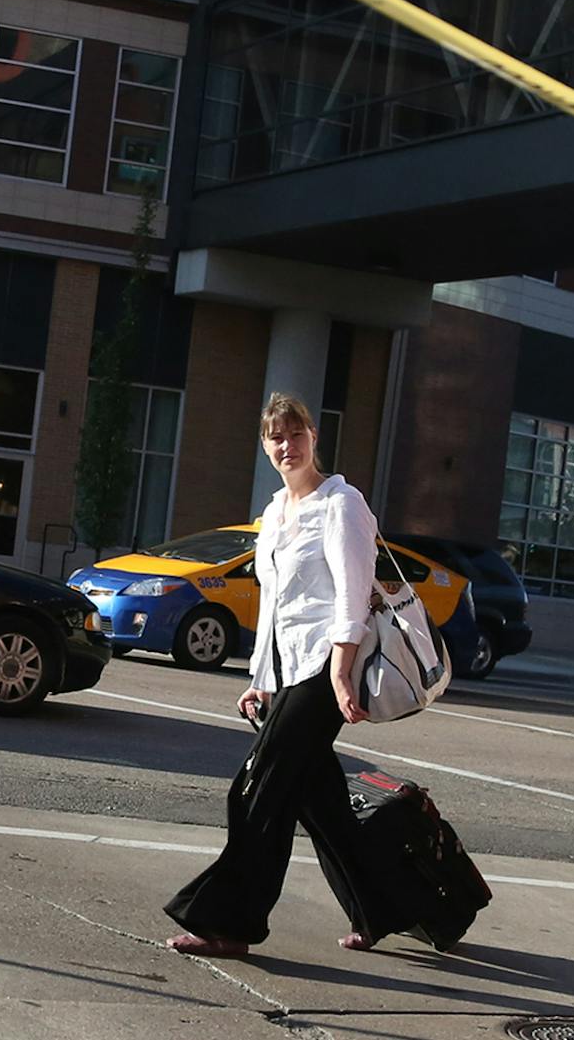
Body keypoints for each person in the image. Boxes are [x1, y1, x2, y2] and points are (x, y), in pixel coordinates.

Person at [165, 392, 384, 956]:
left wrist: (341, 671)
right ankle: (386, 906)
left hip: (323, 668)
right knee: (322, 802)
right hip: (287, 669)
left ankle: (230, 924)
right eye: (275, 438)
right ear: (265, 447)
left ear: (315, 436)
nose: (287, 446)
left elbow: (353, 594)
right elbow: (274, 605)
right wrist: (259, 676)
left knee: (257, 792)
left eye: (296, 433)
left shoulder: (341, 503)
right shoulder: (274, 514)